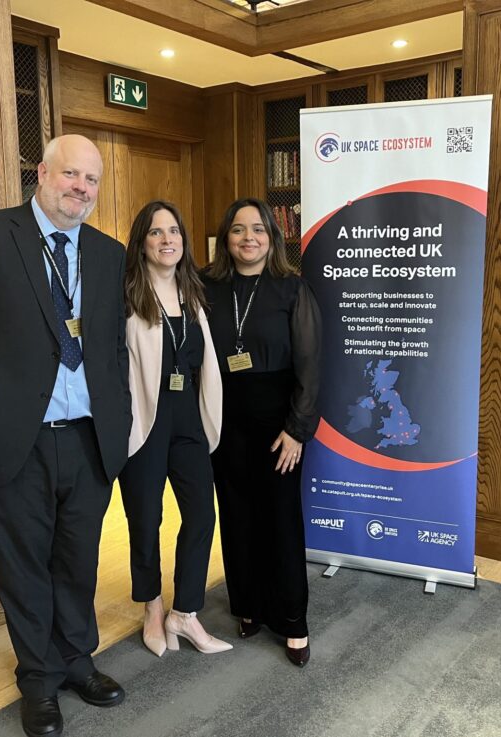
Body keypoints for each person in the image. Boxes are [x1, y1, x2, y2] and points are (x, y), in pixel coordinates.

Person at [0, 134, 132, 737]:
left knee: (77, 562)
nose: (82, 189)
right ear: (41, 173)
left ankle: (76, 660)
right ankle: (38, 679)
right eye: (72, 174)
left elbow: (111, 348)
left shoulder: (106, 252)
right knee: (22, 568)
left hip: (89, 441)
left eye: (92, 181)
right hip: (12, 441)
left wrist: (117, 424)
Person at [203, 198, 321, 668]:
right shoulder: (207, 289)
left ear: (272, 237)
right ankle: (248, 605)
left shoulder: (291, 289)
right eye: (237, 230)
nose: (247, 238)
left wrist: (297, 430)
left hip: (279, 425)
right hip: (223, 419)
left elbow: (311, 368)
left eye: (258, 230)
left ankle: (293, 620)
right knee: (235, 515)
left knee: (280, 519)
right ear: (224, 239)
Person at [118, 201, 231, 657]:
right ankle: (152, 607)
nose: (168, 241)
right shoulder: (127, 295)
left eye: (174, 232)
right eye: (156, 233)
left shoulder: (194, 293)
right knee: (145, 521)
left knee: (202, 515)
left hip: (188, 422)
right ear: (142, 243)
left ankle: (185, 613)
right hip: (144, 422)